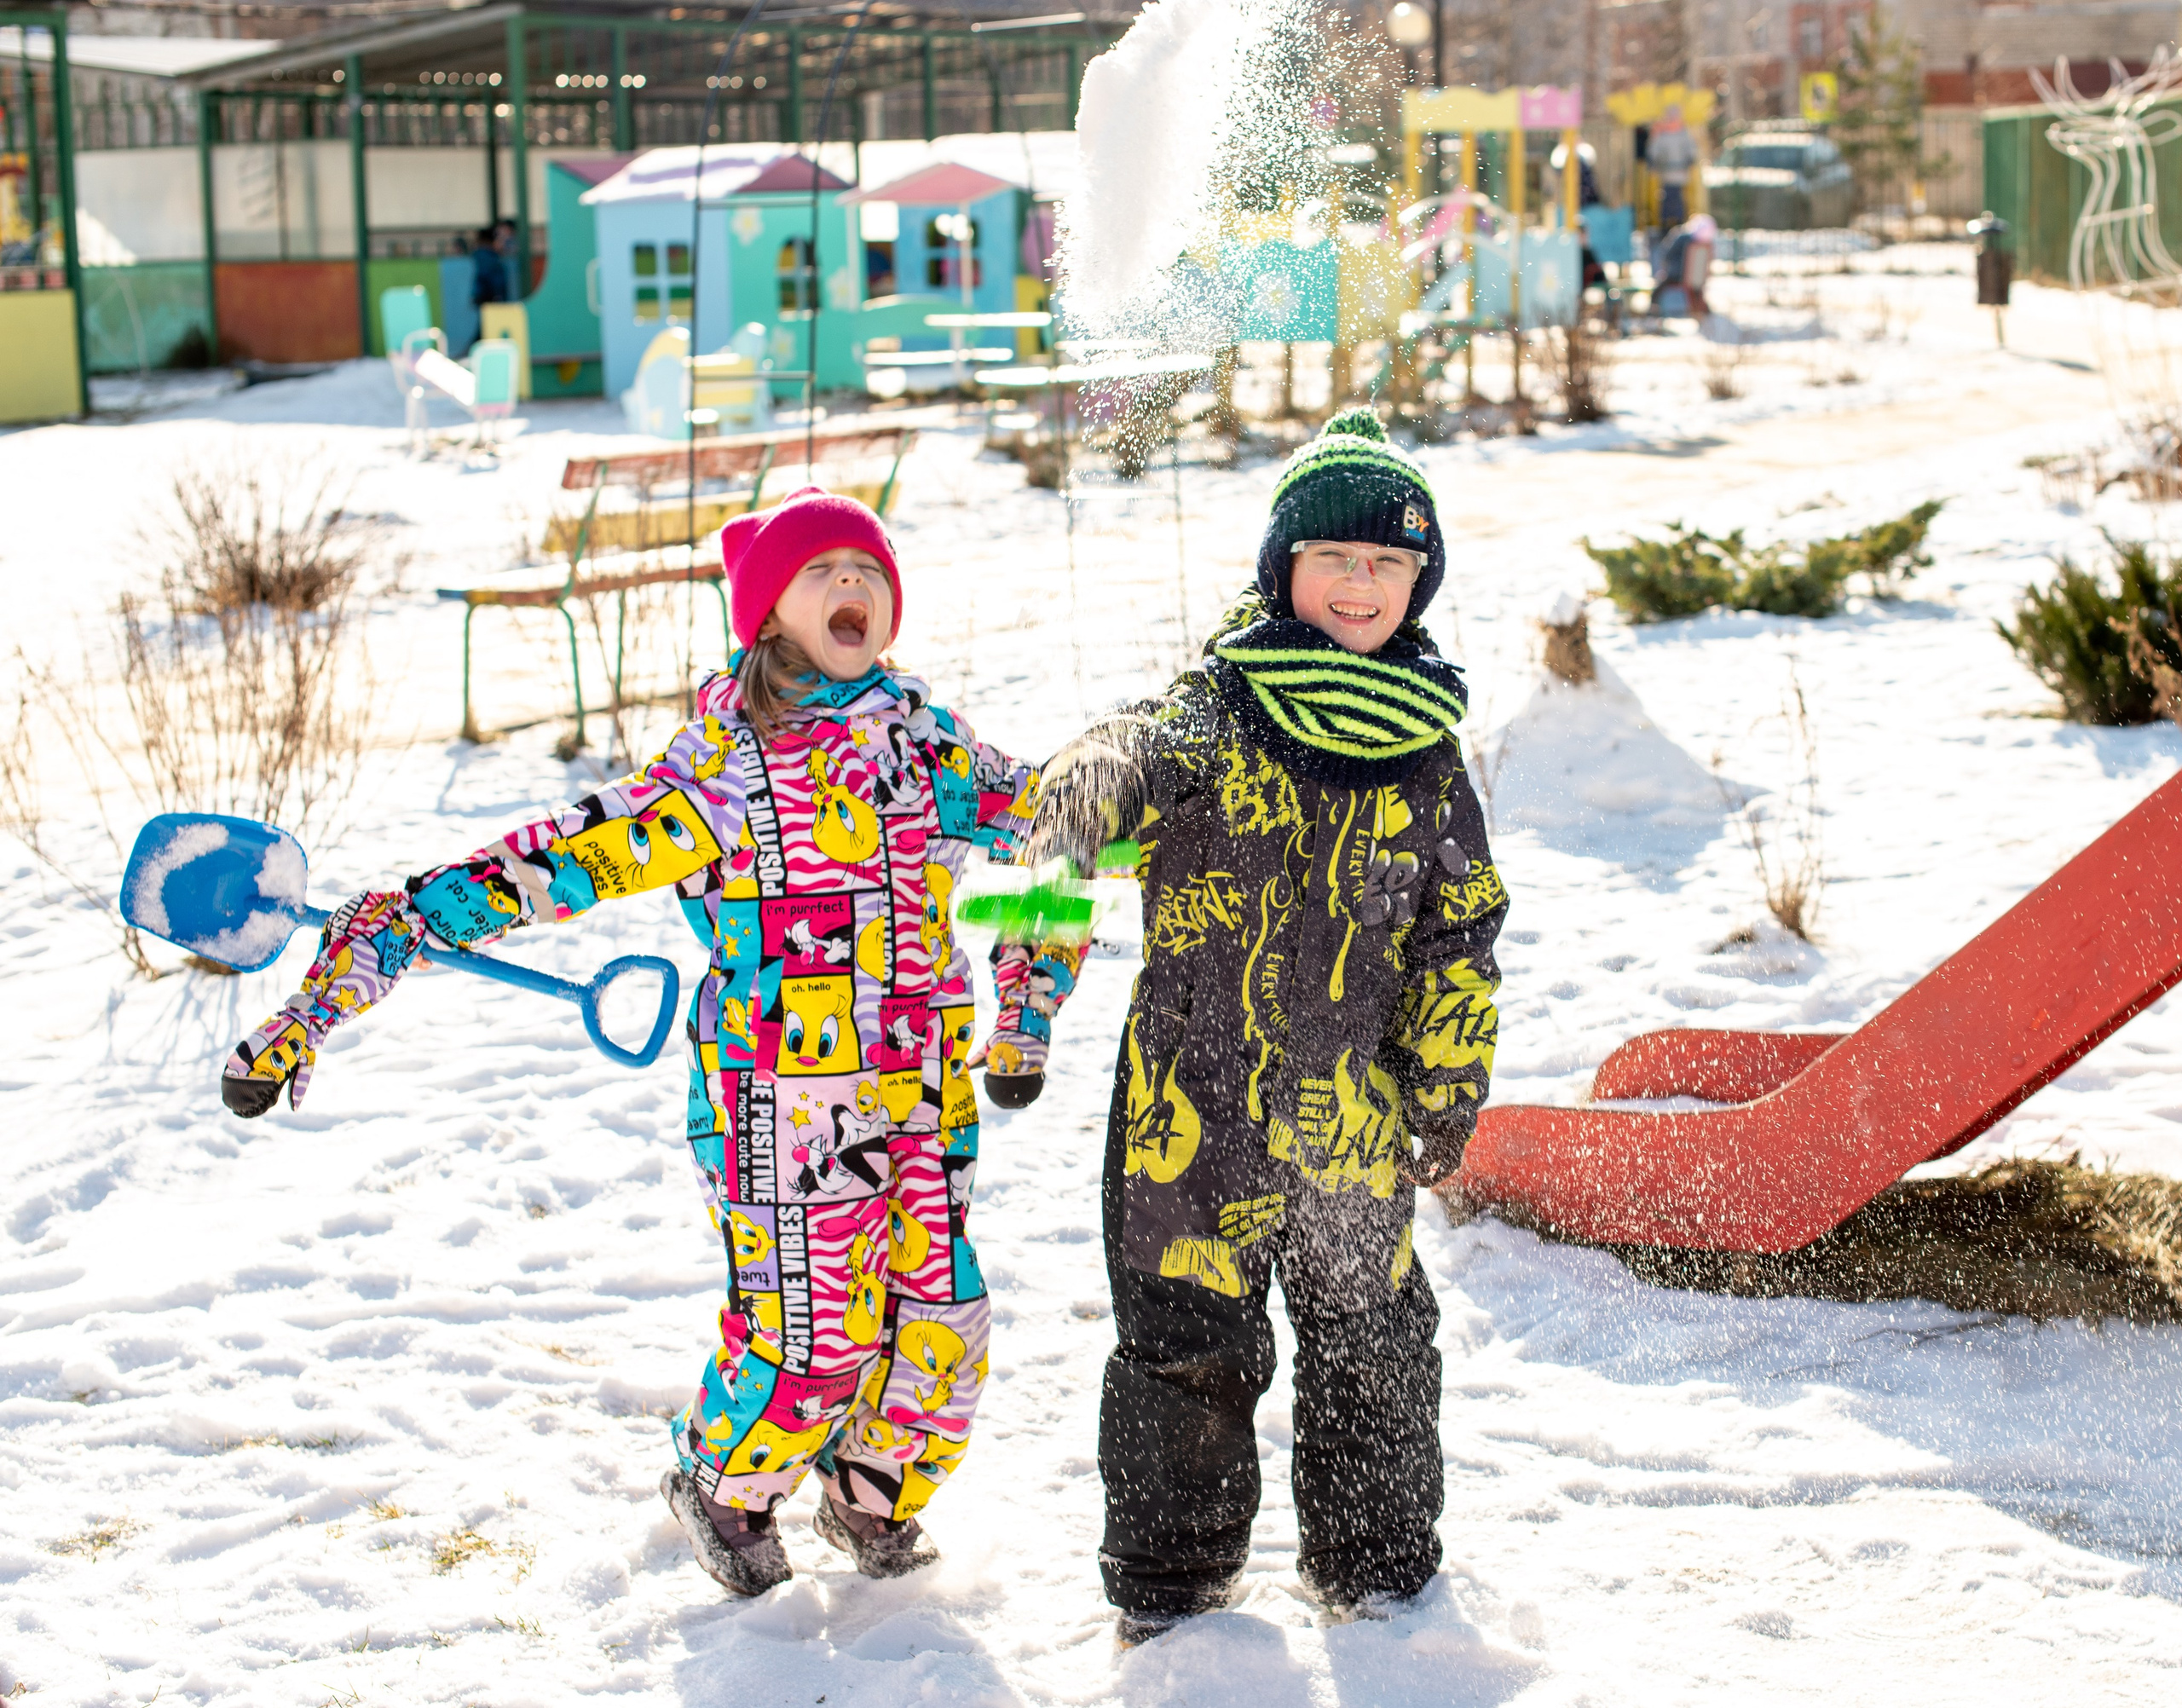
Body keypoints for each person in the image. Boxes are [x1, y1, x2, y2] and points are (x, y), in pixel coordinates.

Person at [219, 487, 1082, 1596]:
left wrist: (1067, 948)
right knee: (809, 1339)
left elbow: (1065, 824)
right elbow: (561, 859)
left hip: (915, 1092)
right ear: (769, 612)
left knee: (938, 1318)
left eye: (867, 569)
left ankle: (869, 1498)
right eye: (820, 573)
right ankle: (721, 1486)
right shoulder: (728, 765)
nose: (850, 587)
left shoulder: (927, 747)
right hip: (779, 1105)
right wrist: (383, 947)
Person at [1022, 408, 1507, 1643]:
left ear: (1420, 583)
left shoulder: (1430, 756)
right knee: (1184, 1352)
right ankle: (1173, 1597)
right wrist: (1084, 785)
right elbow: (1128, 753)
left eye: (1391, 563)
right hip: (1192, 1113)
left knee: (1372, 1344)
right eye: (1335, 558)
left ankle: (1378, 1575)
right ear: (1282, 569)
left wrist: (1444, 1090)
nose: (1362, 583)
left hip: (1351, 1112)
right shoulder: (1215, 711)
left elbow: (1460, 936)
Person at [1647, 105, 1698, 231]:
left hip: (1678, 172)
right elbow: (1654, 150)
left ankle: (1677, 222)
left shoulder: (1682, 133)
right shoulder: (1662, 133)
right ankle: (1667, 223)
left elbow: (1691, 150)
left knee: (1676, 197)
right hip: (1667, 173)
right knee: (1668, 197)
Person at [470, 225, 507, 309]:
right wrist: (497, 294)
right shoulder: (489, 258)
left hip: (484, 294)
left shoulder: (481, 255)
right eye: (499, 240)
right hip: (489, 295)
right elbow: (492, 278)